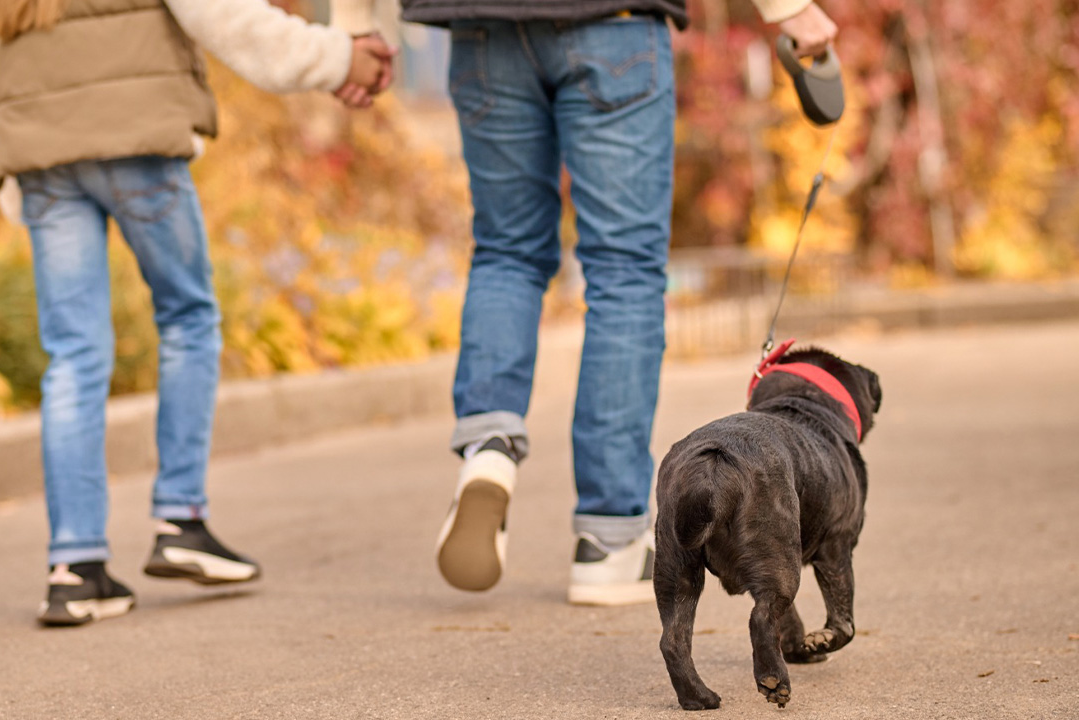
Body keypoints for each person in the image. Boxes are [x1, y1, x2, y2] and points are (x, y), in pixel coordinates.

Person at [338, 0, 838, 605]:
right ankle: (608, 539)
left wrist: (354, 22)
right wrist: (791, 11)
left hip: (482, 29)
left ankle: (488, 445)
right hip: (612, 25)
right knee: (623, 269)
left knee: (505, 251)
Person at [0, 0, 394, 626]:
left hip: (42, 157)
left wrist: (5, 173)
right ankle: (180, 520)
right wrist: (339, 59)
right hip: (136, 139)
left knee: (74, 354)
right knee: (189, 318)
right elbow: (225, 15)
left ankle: (75, 568)